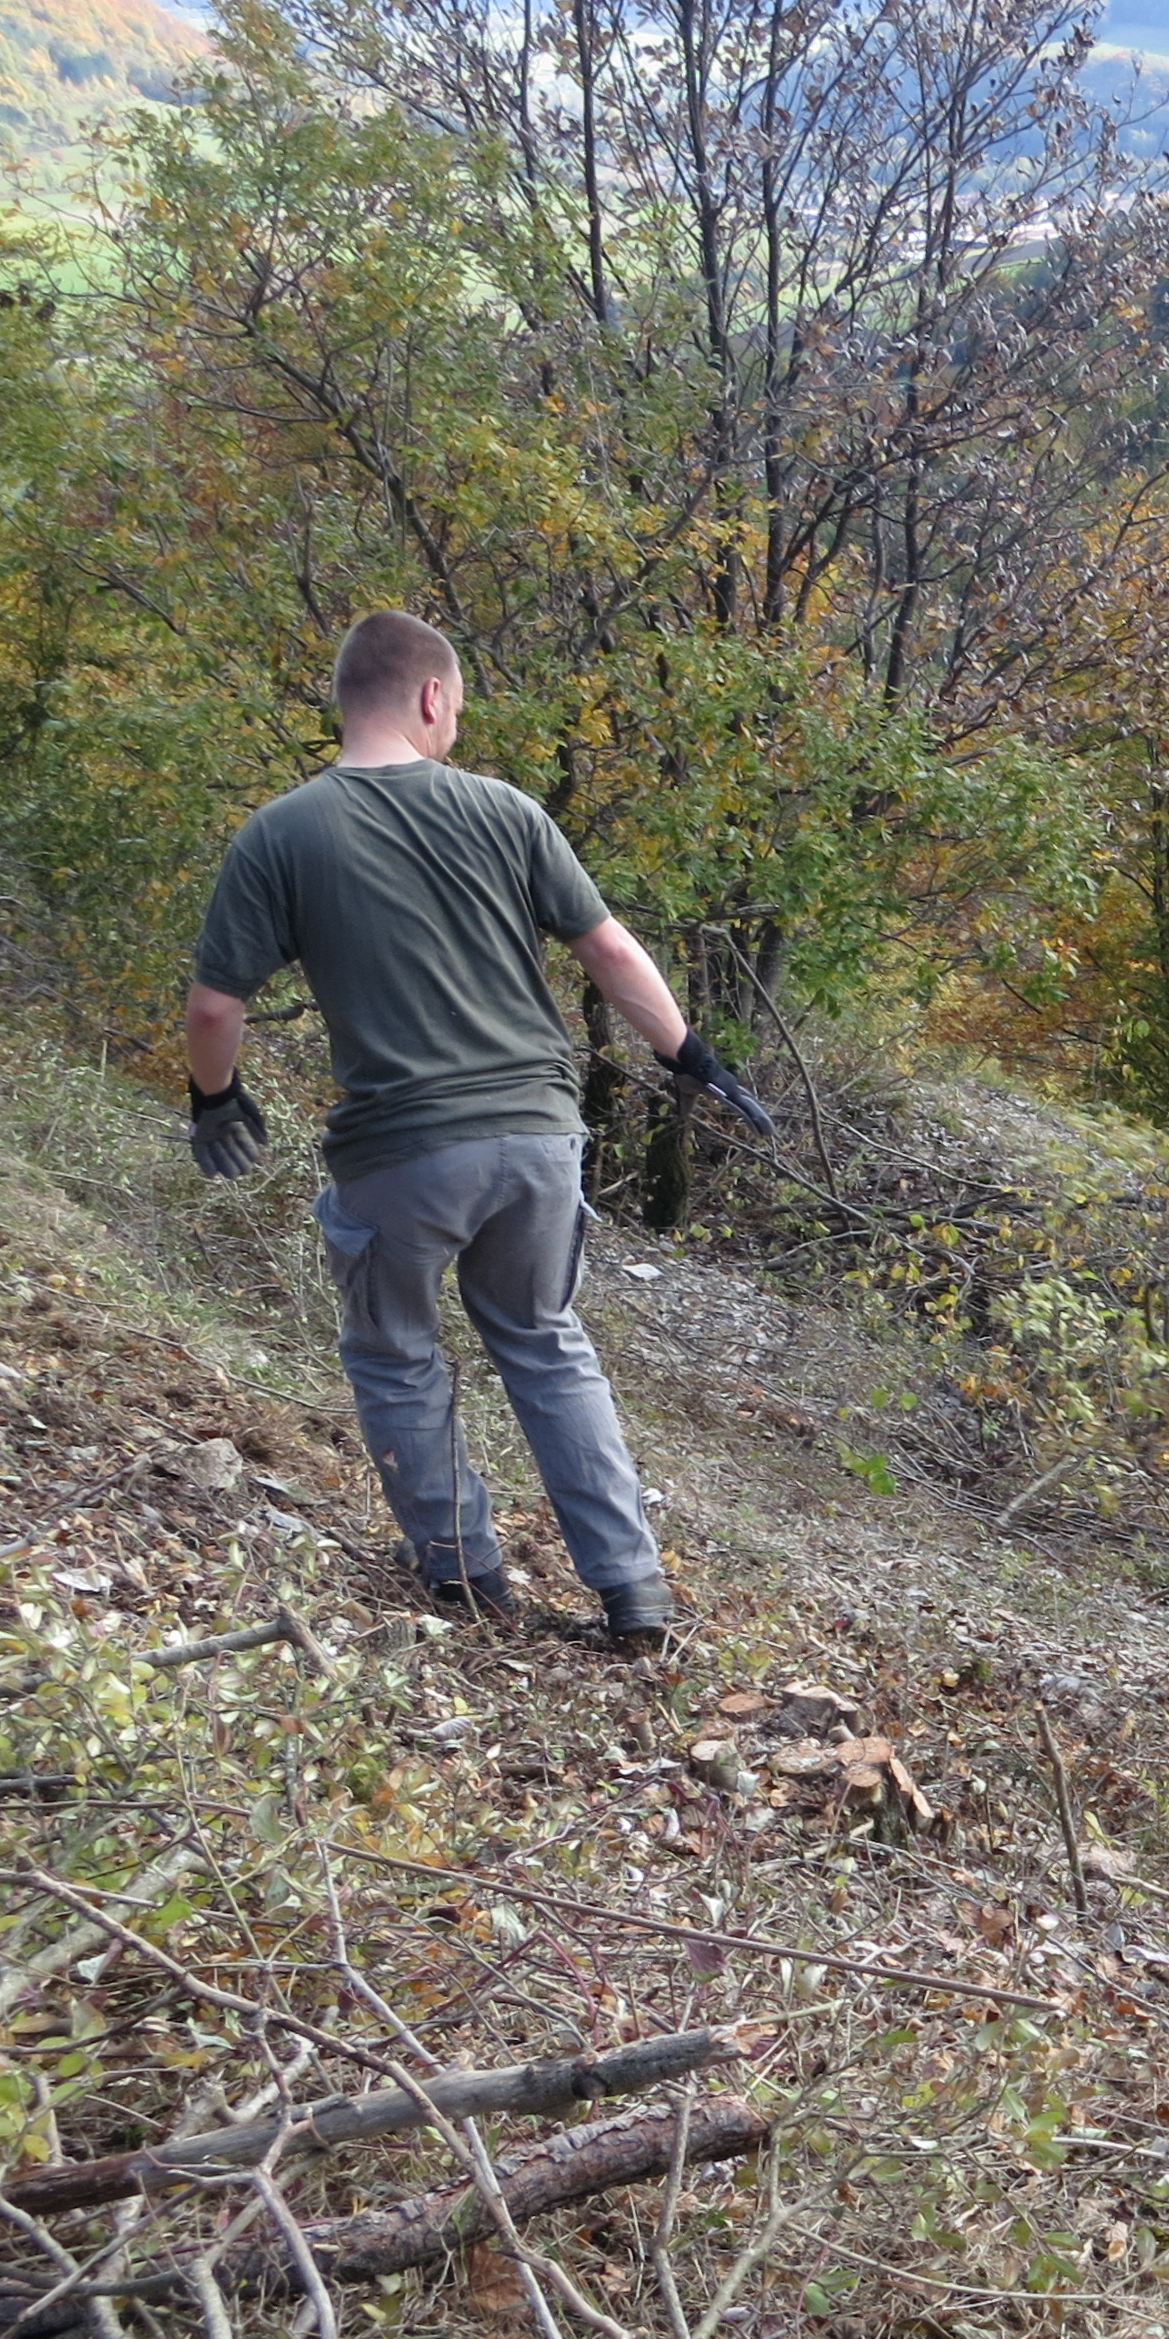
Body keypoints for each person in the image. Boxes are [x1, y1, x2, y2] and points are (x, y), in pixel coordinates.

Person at [183, 609, 774, 1655]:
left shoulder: (283, 831)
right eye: (455, 706)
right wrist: (690, 1056)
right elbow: (610, 952)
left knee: (397, 1353)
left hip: (400, 1150)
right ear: (427, 698)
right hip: (541, 1140)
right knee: (546, 1345)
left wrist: (214, 1099)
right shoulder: (508, 812)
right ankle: (634, 1591)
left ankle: (464, 1580)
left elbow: (215, 1010)